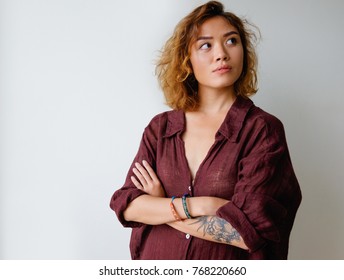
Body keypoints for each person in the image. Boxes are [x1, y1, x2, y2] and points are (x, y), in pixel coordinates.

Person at [110, 1, 301, 260]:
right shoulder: (161, 128)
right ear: (187, 59)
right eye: (206, 45)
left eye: (231, 41)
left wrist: (162, 205)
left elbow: (249, 233)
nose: (221, 53)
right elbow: (127, 206)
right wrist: (203, 205)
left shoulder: (262, 131)